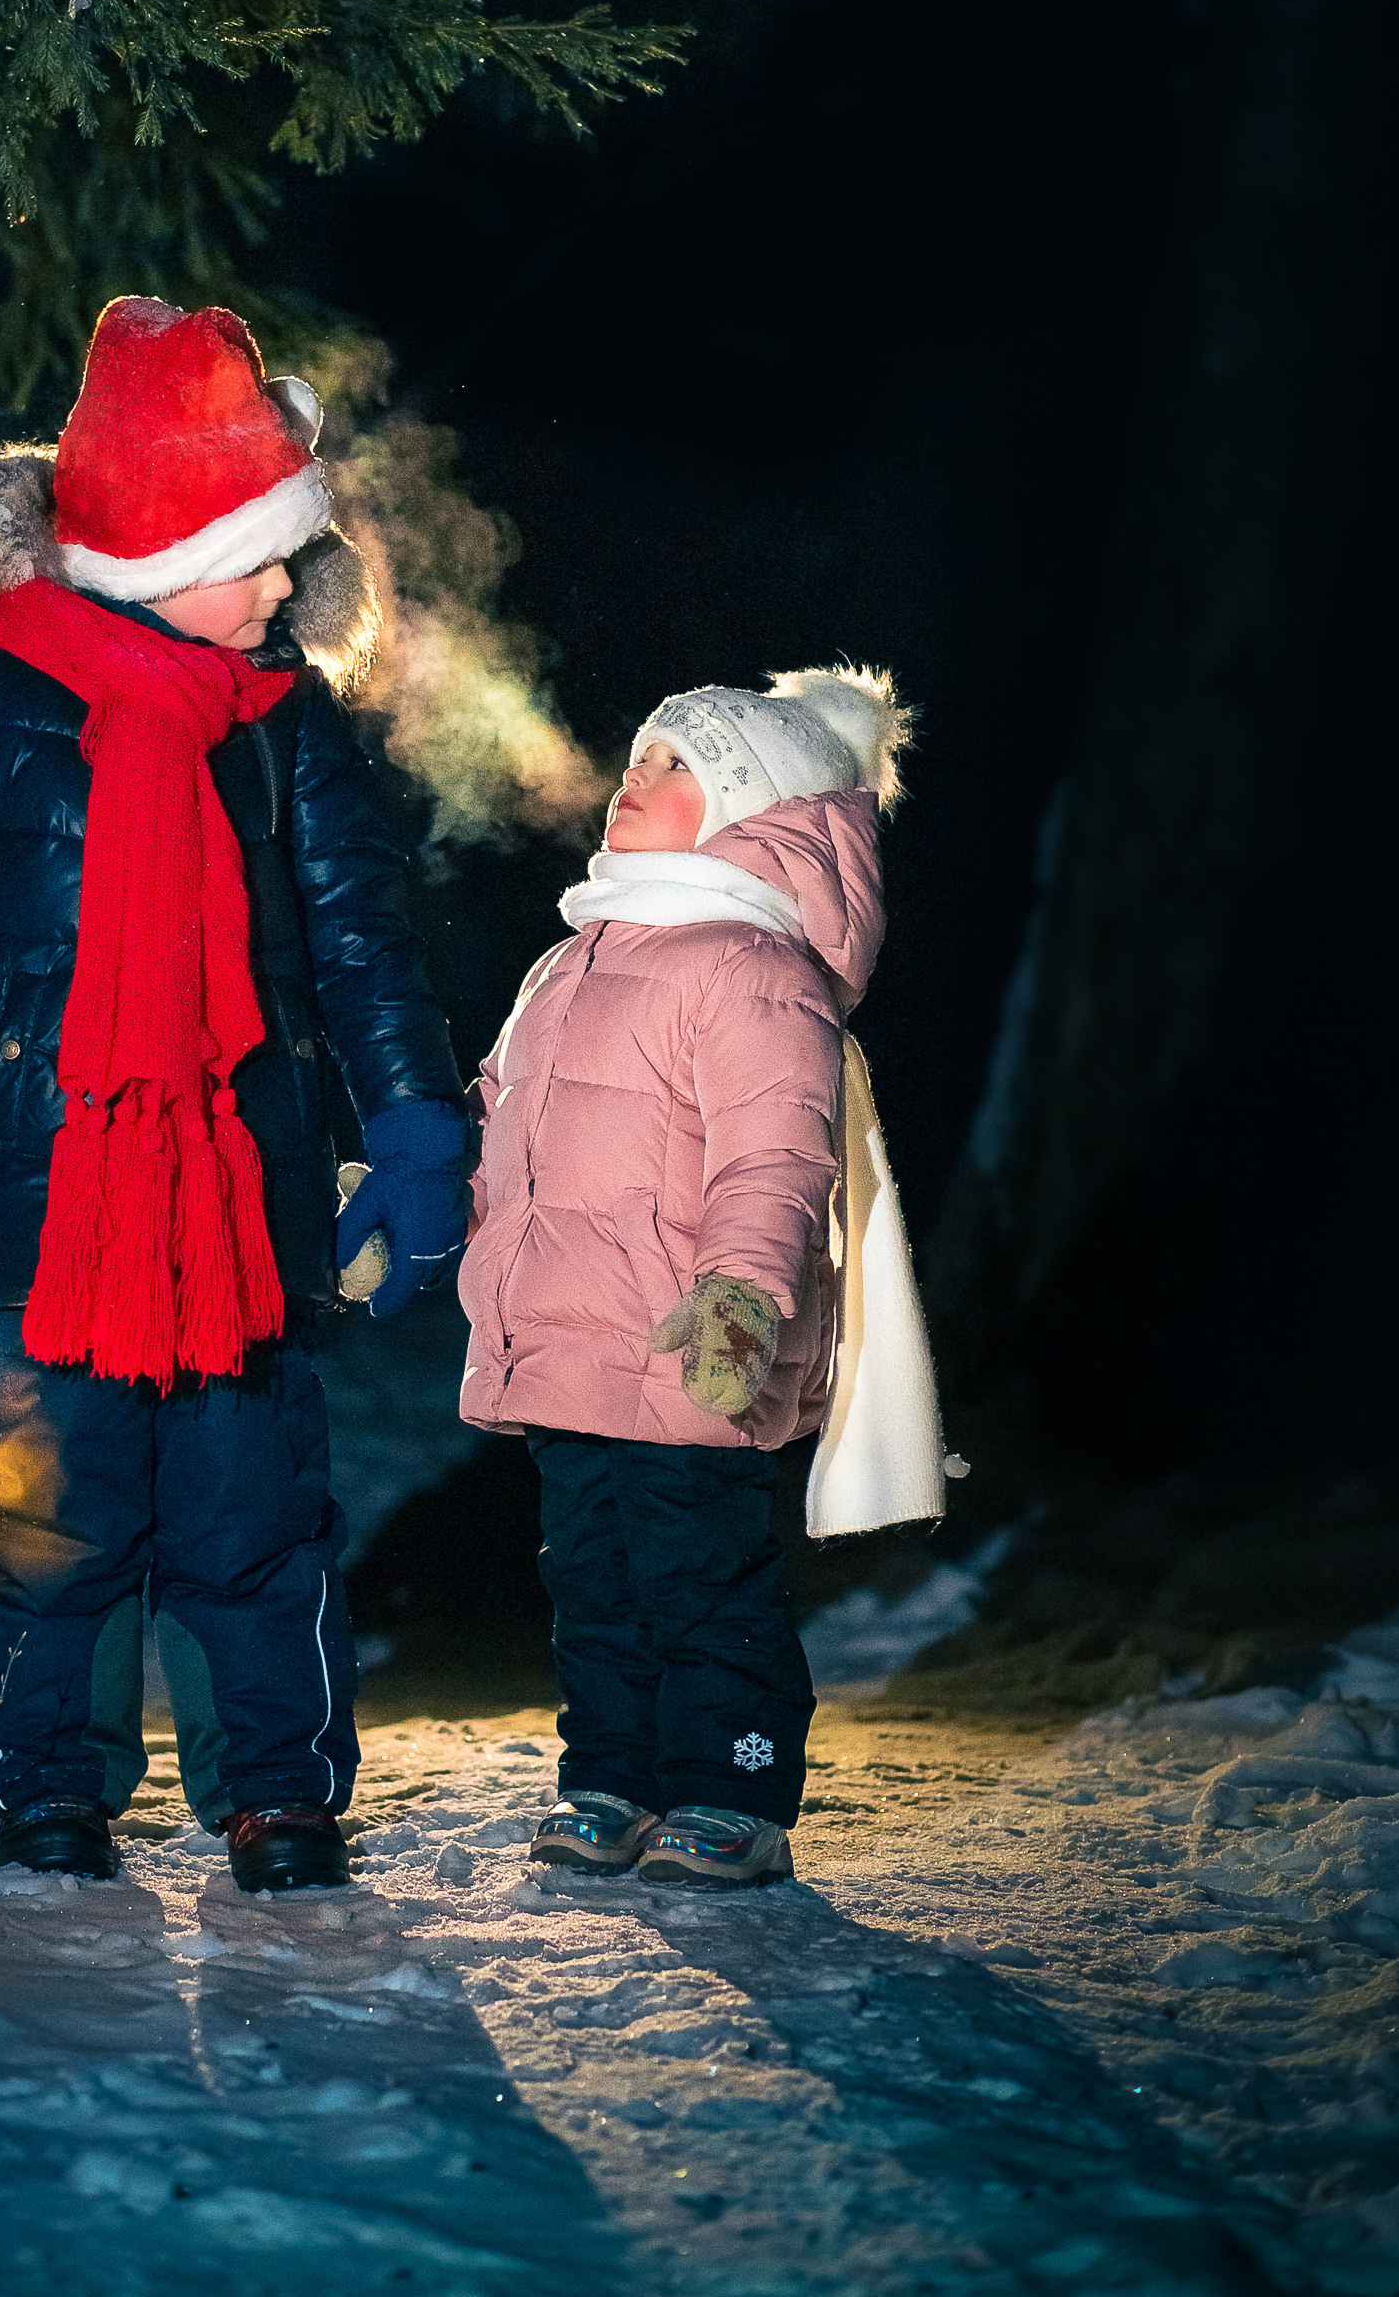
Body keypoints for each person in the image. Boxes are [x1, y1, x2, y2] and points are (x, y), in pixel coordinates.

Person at [0, 298, 466, 1890]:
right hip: (35, 1197)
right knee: (52, 1517)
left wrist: (412, 1129)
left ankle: (281, 1794)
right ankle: (51, 1789)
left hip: (237, 1196)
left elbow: (364, 943)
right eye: (260, 553)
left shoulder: (285, 724)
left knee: (255, 1513)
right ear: (168, 551)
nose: (290, 587)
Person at [458, 666, 914, 1886]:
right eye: (637, 757)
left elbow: (777, 1153)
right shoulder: (567, 966)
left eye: (675, 766)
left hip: (689, 1348)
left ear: (749, 809)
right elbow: (504, 1137)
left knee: (698, 1579)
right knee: (594, 1586)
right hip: (566, 1346)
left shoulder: (749, 969)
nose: (634, 779)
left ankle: (732, 1788)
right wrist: (420, 1212)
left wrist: (743, 1297)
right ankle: (612, 1778)